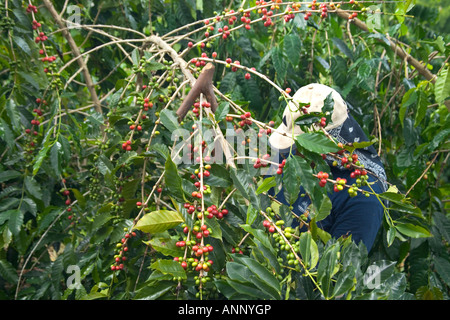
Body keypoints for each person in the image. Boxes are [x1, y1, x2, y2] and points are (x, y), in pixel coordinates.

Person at [268, 83, 388, 252]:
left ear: (329, 143)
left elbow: (336, 272)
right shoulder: (292, 157)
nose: (292, 155)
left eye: (301, 147)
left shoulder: (363, 199)